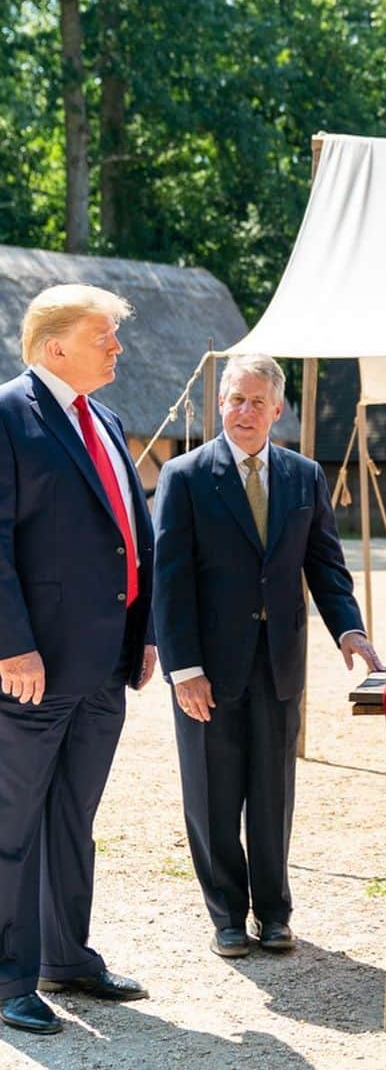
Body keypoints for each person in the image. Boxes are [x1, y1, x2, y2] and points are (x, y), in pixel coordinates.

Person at [153, 352, 384, 958]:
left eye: (257, 401)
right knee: (212, 790)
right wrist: (184, 670)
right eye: (234, 399)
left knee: (273, 788)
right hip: (206, 668)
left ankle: (274, 913)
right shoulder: (184, 476)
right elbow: (168, 583)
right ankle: (227, 915)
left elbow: (325, 567)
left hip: (280, 662)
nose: (244, 411)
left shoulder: (304, 476)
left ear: (279, 409)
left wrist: (349, 630)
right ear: (220, 404)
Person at [0, 284, 157, 1035]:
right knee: (12, 824)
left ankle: (66, 957)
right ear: (55, 345)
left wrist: (145, 631)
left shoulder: (108, 418)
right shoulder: (7, 415)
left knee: (73, 817)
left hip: (105, 664)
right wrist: (10, 643)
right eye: (106, 337)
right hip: (33, 666)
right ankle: (8, 980)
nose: (118, 349)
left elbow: (130, 533)